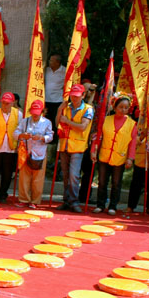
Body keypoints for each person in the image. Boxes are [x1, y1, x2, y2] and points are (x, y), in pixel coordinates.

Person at [91, 96, 137, 215]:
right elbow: (98, 137)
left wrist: (130, 158)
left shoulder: (132, 124)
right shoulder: (106, 119)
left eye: (126, 108)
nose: (123, 110)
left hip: (119, 157)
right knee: (102, 181)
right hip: (104, 154)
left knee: (116, 183)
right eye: (121, 107)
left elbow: (133, 143)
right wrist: (93, 150)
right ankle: (100, 205)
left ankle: (113, 206)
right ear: (115, 107)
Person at [55, 83, 94, 213]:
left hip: (78, 146)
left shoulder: (88, 109)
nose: (74, 98)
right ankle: (66, 201)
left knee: (74, 175)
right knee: (65, 174)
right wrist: (59, 110)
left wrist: (67, 122)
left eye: (77, 96)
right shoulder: (66, 107)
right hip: (64, 144)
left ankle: (74, 201)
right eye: (73, 96)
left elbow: (83, 127)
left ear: (83, 95)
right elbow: (57, 123)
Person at [14, 100, 53, 208]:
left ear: (42, 112)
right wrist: (22, 135)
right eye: (33, 113)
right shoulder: (25, 121)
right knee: (24, 178)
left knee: (38, 179)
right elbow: (15, 134)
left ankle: (35, 201)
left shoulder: (47, 122)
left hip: (40, 153)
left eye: (37, 113)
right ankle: (23, 199)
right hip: (26, 152)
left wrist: (42, 137)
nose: (35, 115)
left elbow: (50, 137)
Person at [0, 92, 22, 203]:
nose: (5, 105)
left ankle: (3, 195)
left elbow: (20, 130)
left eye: (7, 103)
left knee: (7, 174)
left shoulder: (18, 114)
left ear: (12, 103)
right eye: (3, 103)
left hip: (11, 148)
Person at [44, 55, 66, 129]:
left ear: (57, 62)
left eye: (51, 61)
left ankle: (55, 138)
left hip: (57, 100)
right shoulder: (46, 70)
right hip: (46, 99)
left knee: (55, 120)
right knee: (46, 119)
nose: (49, 62)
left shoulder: (64, 71)